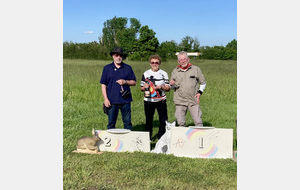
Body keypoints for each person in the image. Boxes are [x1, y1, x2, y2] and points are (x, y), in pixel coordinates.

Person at [100, 47, 137, 130]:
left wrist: (125, 82)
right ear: (113, 56)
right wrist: (105, 99)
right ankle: (112, 142)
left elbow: (134, 82)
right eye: (116, 55)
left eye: (120, 55)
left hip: (125, 100)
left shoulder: (128, 68)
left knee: (127, 123)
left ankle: (127, 140)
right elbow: (103, 84)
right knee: (111, 124)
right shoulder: (107, 68)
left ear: (123, 57)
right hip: (111, 101)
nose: (118, 57)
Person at [169, 51, 206, 127]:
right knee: (180, 122)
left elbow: (203, 82)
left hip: (193, 100)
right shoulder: (175, 71)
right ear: (178, 61)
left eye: (185, 59)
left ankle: (200, 137)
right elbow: (172, 87)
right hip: (180, 100)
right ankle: (182, 138)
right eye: (181, 60)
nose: (183, 61)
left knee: (198, 121)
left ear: (188, 59)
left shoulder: (196, 69)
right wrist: (171, 84)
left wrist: (200, 93)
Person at [140, 55, 170, 140]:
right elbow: (141, 88)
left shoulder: (164, 73)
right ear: (150, 63)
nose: (154, 64)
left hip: (161, 100)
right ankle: (148, 139)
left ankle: (161, 138)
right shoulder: (146, 74)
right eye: (152, 62)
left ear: (159, 63)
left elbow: (168, 88)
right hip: (149, 101)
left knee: (163, 121)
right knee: (149, 121)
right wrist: (144, 86)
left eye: (156, 62)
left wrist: (161, 87)